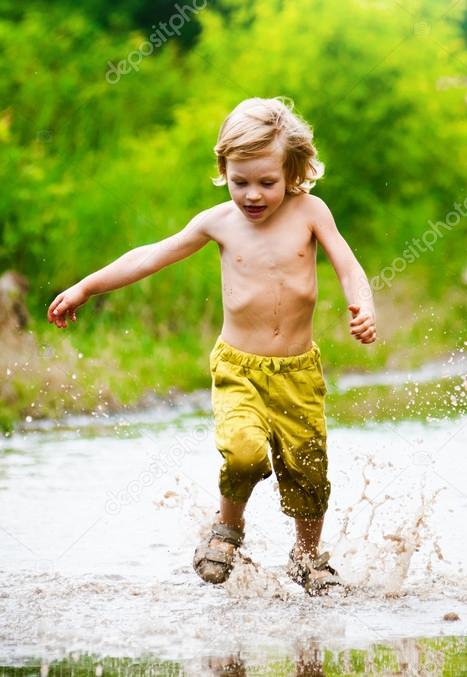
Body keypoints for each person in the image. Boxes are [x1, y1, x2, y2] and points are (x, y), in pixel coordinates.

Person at [47, 96, 377, 595]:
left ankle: (308, 557)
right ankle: (228, 530)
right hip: (238, 368)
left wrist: (363, 305)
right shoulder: (218, 222)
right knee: (243, 453)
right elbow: (150, 256)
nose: (252, 195)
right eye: (240, 181)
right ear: (224, 169)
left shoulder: (311, 212)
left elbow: (348, 267)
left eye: (267, 182)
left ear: (293, 171)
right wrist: (87, 286)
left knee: (308, 468)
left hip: (298, 373)